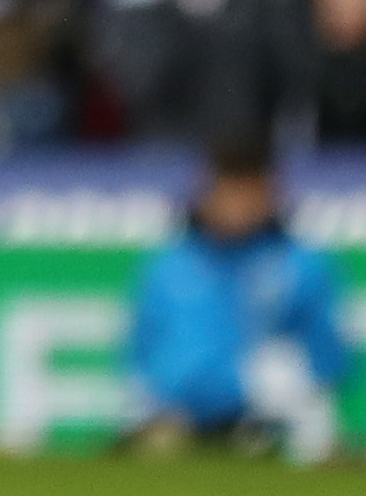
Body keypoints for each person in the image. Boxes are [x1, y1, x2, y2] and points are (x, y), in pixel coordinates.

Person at [125, 130, 352, 457]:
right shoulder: (168, 265)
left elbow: (329, 356)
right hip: (177, 415)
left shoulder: (302, 265)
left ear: (270, 192)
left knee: (281, 373)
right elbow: (139, 354)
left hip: (266, 419)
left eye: (248, 191)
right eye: (228, 189)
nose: (237, 205)